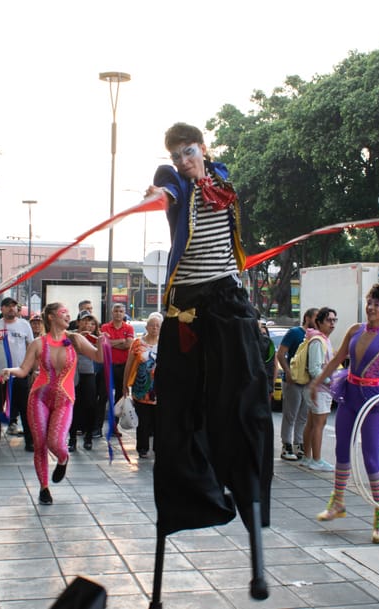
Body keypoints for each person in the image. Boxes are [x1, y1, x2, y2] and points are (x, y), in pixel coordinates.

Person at [145, 122, 274, 598]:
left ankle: (248, 499)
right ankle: (195, 496)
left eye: (189, 151)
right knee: (180, 413)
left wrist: (202, 175)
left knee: (245, 406)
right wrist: (159, 194)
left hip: (228, 303)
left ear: (203, 148)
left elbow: (219, 201)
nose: (184, 160)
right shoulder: (174, 180)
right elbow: (167, 188)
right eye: (177, 155)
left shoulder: (221, 178)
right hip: (186, 308)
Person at [309, 284, 379, 544]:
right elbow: (337, 360)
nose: (371, 308)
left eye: (377, 304)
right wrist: (318, 381)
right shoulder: (355, 329)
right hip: (350, 393)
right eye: (369, 302)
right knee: (342, 450)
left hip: (373, 400)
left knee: (370, 457)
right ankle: (338, 502)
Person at [0, 303, 100, 505]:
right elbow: (24, 370)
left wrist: (103, 341)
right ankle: (44, 488)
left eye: (68, 313)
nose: (68, 316)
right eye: (64, 313)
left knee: (56, 442)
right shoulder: (38, 343)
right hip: (39, 397)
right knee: (40, 444)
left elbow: (99, 357)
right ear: (51, 317)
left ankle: (63, 458)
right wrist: (9, 371)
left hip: (64, 399)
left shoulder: (75, 339)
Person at [0, 297, 34, 452]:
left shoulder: (24, 325)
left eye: (14, 306)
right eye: (8, 306)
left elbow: (31, 348)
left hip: (20, 375)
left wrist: (34, 370)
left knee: (25, 408)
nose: (11, 309)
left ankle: (30, 441)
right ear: (2, 309)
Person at [300, 307, 337, 472]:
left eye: (334, 320)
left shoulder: (320, 339)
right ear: (319, 322)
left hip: (318, 389)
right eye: (329, 320)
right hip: (319, 389)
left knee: (312, 423)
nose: (332, 323)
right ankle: (316, 460)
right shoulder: (318, 341)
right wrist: (330, 382)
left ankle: (308, 457)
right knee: (318, 425)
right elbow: (315, 368)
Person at [277, 308, 317, 461]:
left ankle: (298, 444)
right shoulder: (295, 332)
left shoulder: (316, 336)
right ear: (307, 318)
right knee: (290, 414)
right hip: (293, 380)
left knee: (303, 415)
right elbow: (281, 354)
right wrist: (287, 372)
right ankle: (286, 445)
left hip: (308, 381)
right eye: (315, 317)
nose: (318, 320)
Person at [124, 312, 162, 459]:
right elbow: (129, 364)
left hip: (159, 389)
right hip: (141, 388)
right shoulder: (137, 343)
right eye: (152, 325)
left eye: (157, 326)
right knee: (143, 421)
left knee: (159, 421)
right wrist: (125, 384)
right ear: (147, 327)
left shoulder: (165, 343)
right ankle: (142, 448)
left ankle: (158, 448)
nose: (154, 328)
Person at [100, 303, 134, 435]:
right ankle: (97, 428)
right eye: (116, 311)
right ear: (112, 312)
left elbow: (128, 345)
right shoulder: (105, 327)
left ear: (124, 313)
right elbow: (104, 344)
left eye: (121, 311)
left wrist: (113, 343)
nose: (118, 313)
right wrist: (121, 340)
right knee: (103, 396)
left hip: (123, 366)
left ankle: (114, 427)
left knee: (120, 396)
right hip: (108, 365)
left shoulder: (129, 327)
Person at [72, 311, 100, 451]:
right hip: (72, 374)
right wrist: (79, 339)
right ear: (78, 322)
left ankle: (88, 437)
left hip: (89, 373)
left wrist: (98, 341)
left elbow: (99, 355)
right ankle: (72, 439)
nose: (87, 324)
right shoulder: (71, 335)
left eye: (90, 322)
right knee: (73, 405)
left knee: (90, 405)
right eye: (84, 321)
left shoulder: (95, 338)